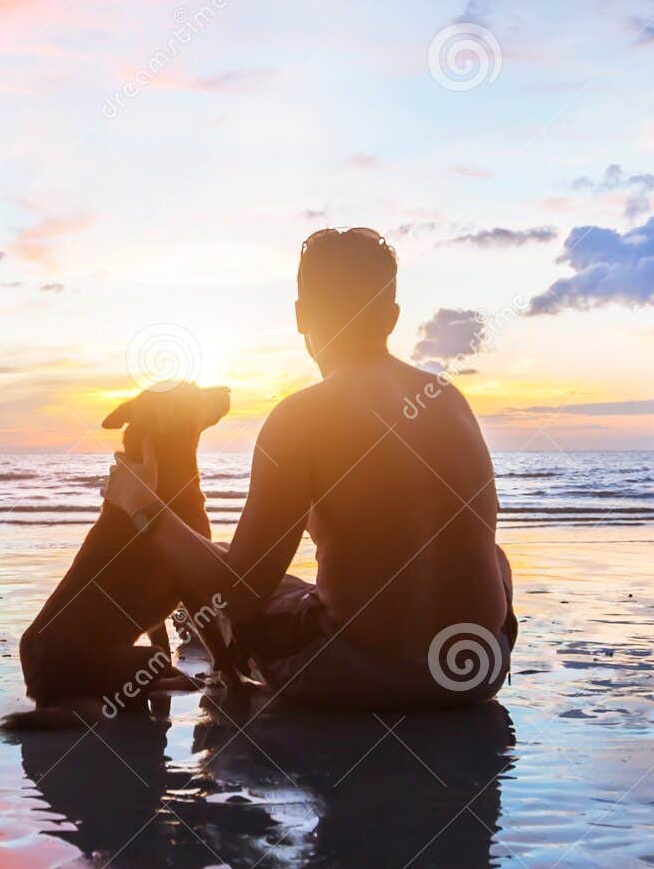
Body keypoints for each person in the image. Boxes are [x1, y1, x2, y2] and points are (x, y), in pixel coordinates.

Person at [102, 227, 516, 710]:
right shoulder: (450, 400)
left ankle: (214, 652)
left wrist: (143, 506)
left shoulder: (299, 417)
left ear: (302, 316)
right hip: (475, 673)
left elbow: (239, 597)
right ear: (392, 317)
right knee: (495, 557)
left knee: (221, 576)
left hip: (353, 680)